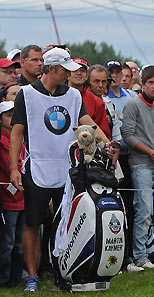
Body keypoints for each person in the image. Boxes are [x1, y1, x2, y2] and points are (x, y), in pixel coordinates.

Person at [9, 48, 112, 292]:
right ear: (52, 69)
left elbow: (85, 121)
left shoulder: (74, 95)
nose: (69, 75)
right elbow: (17, 131)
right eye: (66, 70)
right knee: (33, 224)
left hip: (67, 169)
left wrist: (105, 141)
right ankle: (32, 276)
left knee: (64, 223)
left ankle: (61, 273)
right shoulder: (26, 94)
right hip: (36, 168)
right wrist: (14, 168)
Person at [121, 65, 154, 269]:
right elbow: (128, 136)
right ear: (143, 84)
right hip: (140, 164)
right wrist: (150, 152)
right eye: (151, 83)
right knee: (143, 209)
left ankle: (149, 252)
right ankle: (139, 255)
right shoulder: (133, 104)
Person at [0, 101, 25, 288]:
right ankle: (4, 278)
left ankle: (17, 277)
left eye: (14, 114)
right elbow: (10, 165)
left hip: (23, 198)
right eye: (8, 115)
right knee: (7, 243)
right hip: (8, 199)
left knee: (19, 242)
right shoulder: (1, 141)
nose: (12, 118)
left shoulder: (23, 139)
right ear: (1, 119)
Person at [68, 58, 111, 139]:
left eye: (82, 70)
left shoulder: (97, 102)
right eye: (74, 70)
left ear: (86, 76)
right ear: (67, 74)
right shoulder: (57, 97)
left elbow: (104, 134)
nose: (79, 73)